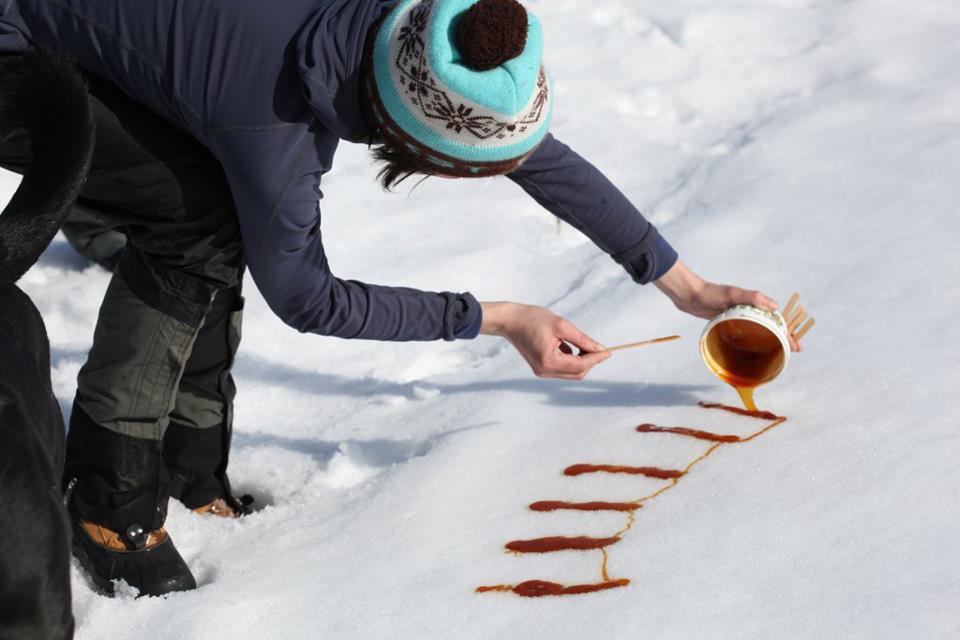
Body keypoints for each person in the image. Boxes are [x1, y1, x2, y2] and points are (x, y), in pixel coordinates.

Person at [0, 0, 799, 596]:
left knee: (206, 193)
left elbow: (527, 151)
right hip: (11, 50)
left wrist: (682, 283)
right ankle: (110, 498)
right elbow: (309, 299)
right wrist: (496, 318)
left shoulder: (413, 29)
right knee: (198, 219)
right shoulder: (267, 128)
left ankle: (188, 461)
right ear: (411, 139)